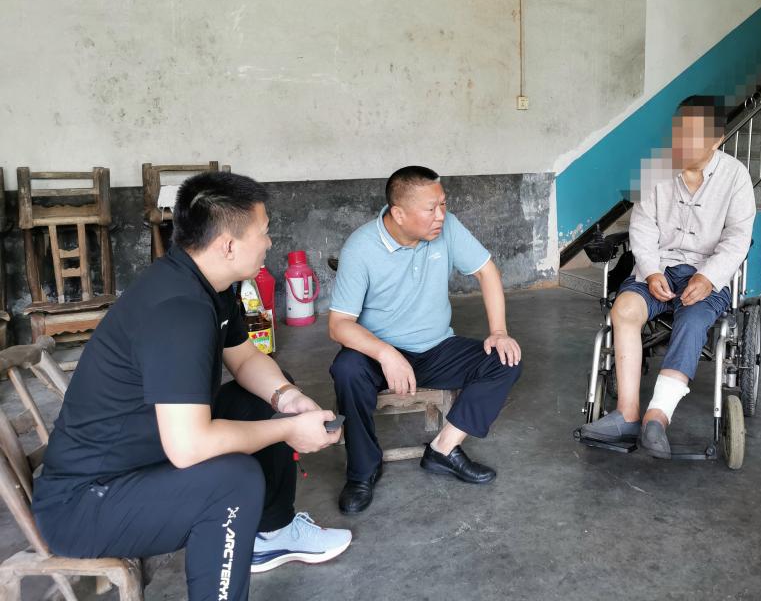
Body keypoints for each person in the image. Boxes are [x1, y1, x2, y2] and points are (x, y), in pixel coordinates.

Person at [32, 172, 352, 601]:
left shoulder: (210, 285)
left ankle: (270, 533)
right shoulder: (179, 311)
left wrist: (288, 400)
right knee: (232, 482)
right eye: (264, 232)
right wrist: (288, 430)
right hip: (87, 503)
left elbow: (244, 358)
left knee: (262, 397)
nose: (270, 242)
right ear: (228, 245)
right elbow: (189, 446)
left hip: (144, 460)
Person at [329, 166, 523, 513]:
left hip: (436, 348)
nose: (441, 215)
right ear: (399, 213)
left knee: (505, 359)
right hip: (378, 353)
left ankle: (443, 449)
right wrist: (386, 353)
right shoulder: (361, 247)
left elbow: (486, 271)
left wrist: (498, 331)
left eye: (443, 204)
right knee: (347, 369)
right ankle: (362, 471)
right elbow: (339, 325)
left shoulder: (447, 228)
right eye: (431, 208)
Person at [580, 95, 755, 457]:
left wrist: (708, 277)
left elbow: (737, 238)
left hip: (706, 274)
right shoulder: (657, 169)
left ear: (716, 139)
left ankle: (657, 417)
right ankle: (627, 415)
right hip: (657, 268)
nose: (681, 143)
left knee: (693, 321)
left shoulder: (735, 176)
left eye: (693, 135)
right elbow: (642, 228)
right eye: (679, 132)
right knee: (624, 310)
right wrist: (651, 271)